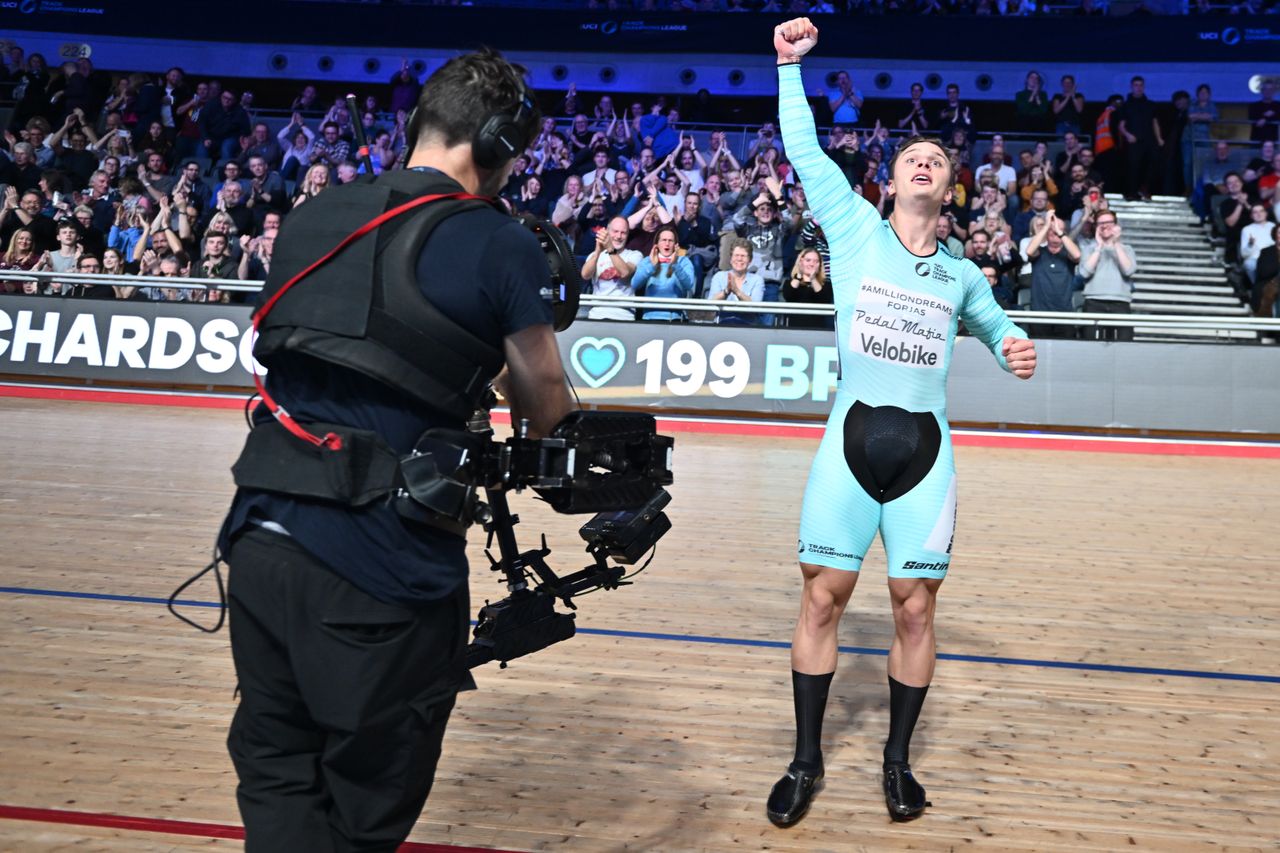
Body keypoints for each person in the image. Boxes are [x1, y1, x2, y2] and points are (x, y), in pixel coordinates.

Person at [219, 47, 576, 851]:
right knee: (362, 810)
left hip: (259, 537)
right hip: (381, 569)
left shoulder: (312, 216)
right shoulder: (498, 240)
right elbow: (546, 411)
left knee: (277, 771)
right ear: (493, 145)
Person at [768, 17, 1036, 829]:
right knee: (823, 599)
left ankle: (896, 763)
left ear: (949, 188)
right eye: (912, 159)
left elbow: (998, 326)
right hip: (847, 448)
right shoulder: (852, 230)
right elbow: (805, 150)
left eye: (938, 162)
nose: (925, 164)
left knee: (916, 606)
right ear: (890, 182)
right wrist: (788, 68)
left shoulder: (962, 273)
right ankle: (805, 758)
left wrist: (1015, 343)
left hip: (927, 457)